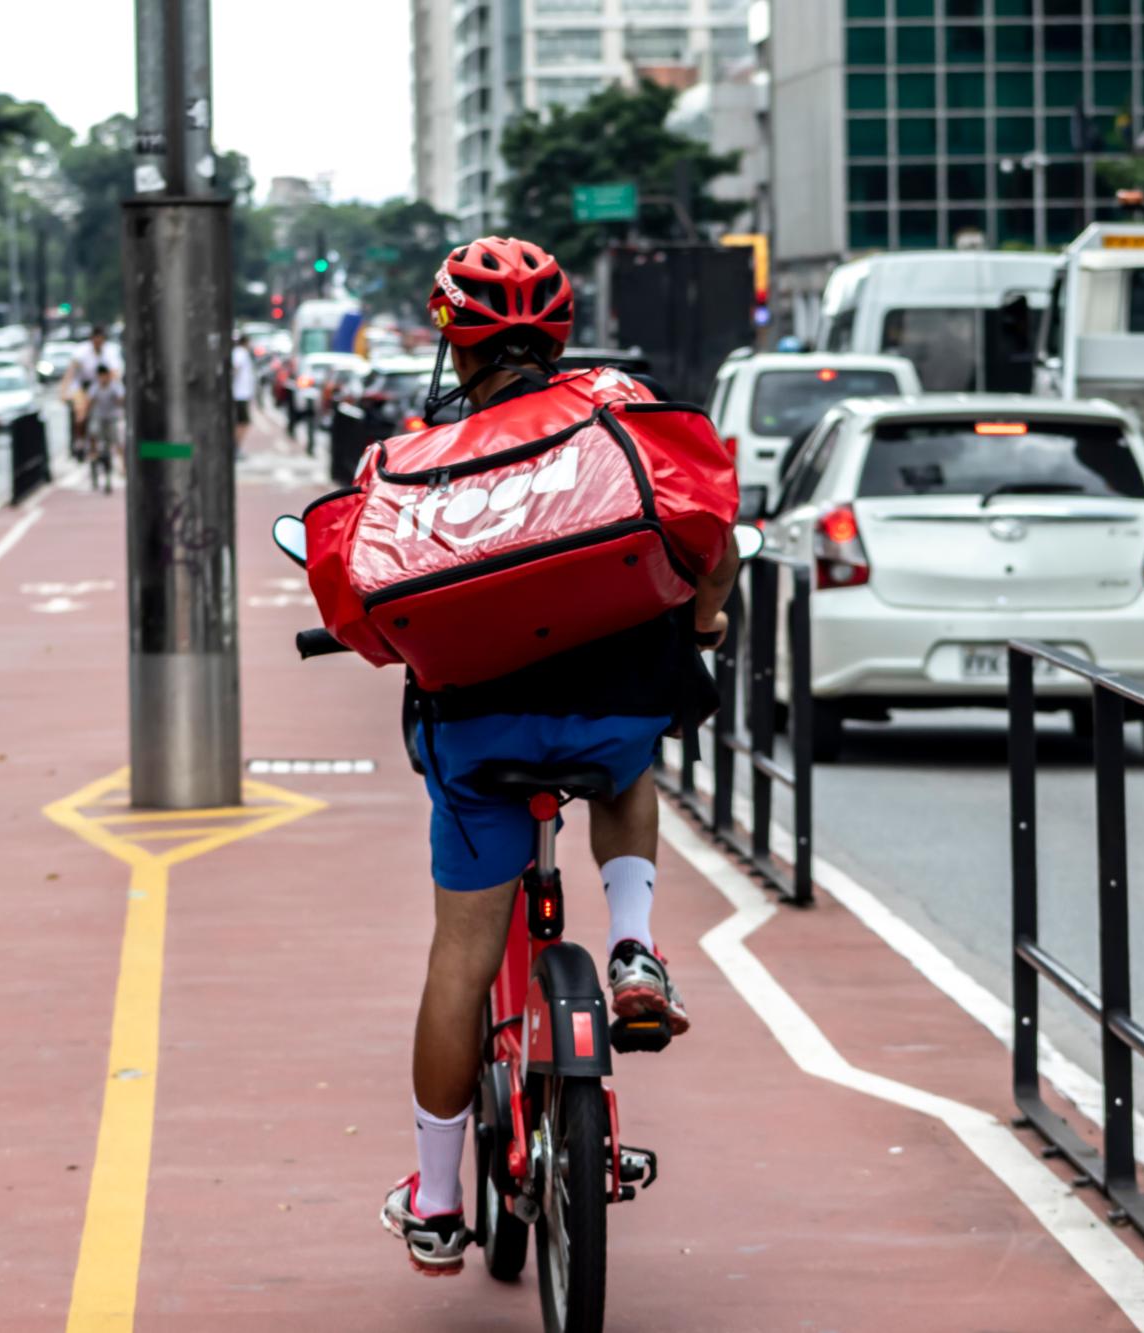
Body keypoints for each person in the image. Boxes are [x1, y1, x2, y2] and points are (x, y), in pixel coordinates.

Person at [377, 237, 740, 1275]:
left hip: (478, 735)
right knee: (629, 759)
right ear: (563, 332)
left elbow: (366, 606)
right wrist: (703, 630)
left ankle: (439, 1204)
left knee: (462, 955)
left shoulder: (422, 457)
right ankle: (632, 946)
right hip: (611, 716)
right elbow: (709, 532)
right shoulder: (622, 415)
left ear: (451, 340)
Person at [61, 328, 119, 459]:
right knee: (81, 412)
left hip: (101, 387)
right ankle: (80, 441)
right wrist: (63, 391)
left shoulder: (110, 352)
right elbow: (70, 373)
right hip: (83, 387)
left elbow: (116, 373)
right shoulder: (81, 352)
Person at [86, 365, 126, 494]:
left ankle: (123, 467)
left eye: (104, 376)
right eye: (100, 376)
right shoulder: (95, 387)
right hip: (99, 419)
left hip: (112, 419)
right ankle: (93, 459)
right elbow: (89, 402)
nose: (102, 379)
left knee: (118, 442)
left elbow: (121, 399)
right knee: (94, 437)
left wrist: (120, 399)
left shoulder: (115, 386)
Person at [230, 333, 255, 456]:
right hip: (240, 394)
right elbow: (235, 368)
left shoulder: (240, 352)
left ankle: (236, 447)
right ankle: (236, 447)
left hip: (241, 393)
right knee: (242, 422)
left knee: (242, 422)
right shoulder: (241, 353)